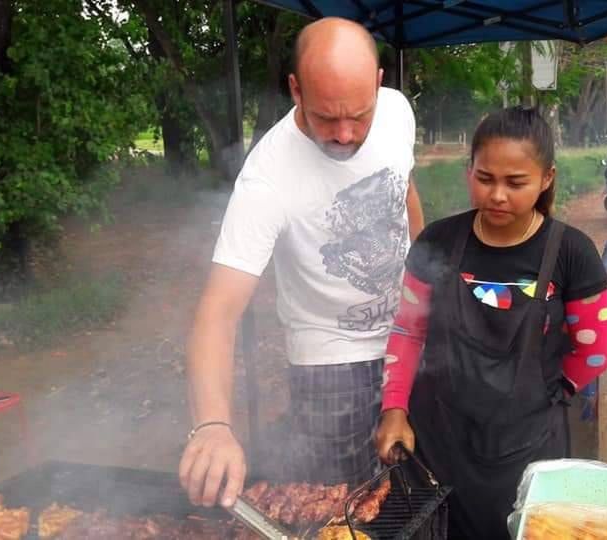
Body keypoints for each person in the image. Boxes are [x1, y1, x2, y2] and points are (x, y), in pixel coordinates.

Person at [179, 17, 424, 509]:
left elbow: (405, 192)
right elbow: (218, 312)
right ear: (295, 89)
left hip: (408, 336)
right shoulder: (267, 178)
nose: (344, 134)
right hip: (329, 358)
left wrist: (427, 289)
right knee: (337, 506)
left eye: (358, 115)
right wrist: (211, 425)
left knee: (414, 486)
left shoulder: (396, 112)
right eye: (325, 118)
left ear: (378, 85)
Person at [375, 107, 607, 539]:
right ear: (469, 172)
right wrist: (395, 409)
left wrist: (548, 394)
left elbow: (594, 350)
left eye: (515, 182)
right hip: (439, 442)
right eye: (485, 178)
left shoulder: (571, 253)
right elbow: (409, 331)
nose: (498, 195)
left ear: (546, 178)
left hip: (527, 450)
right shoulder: (438, 242)